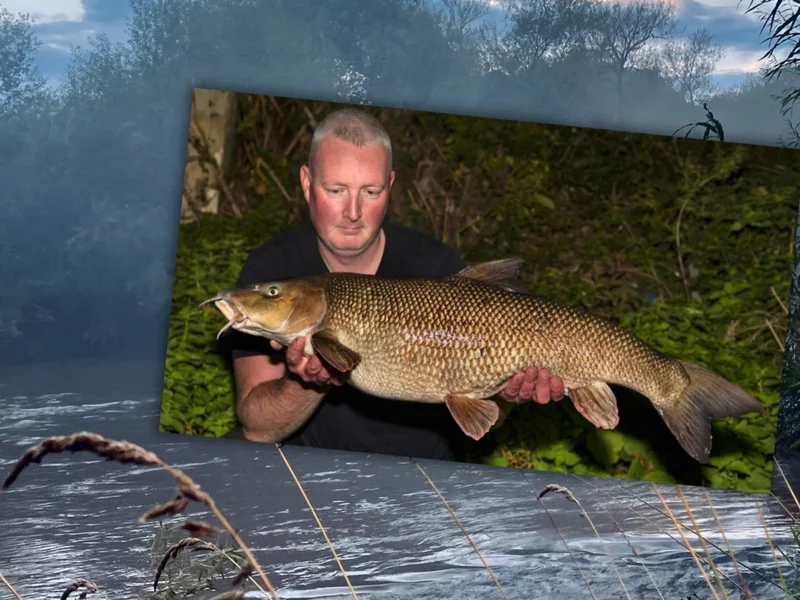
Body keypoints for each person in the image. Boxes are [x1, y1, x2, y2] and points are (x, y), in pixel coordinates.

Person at [226, 108, 565, 461]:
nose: (353, 211)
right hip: (317, 460)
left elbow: (489, 417)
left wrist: (509, 393)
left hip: (428, 463)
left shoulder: (435, 265)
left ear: (389, 186)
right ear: (307, 183)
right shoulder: (274, 269)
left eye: (370, 191)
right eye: (336, 190)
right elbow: (257, 428)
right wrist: (312, 380)